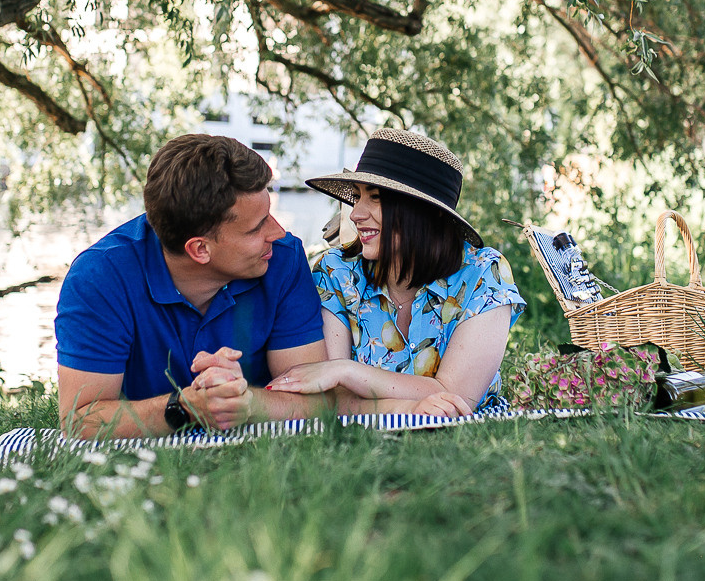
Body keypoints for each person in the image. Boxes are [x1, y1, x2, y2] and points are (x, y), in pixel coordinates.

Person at [55, 134, 425, 437]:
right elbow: (79, 419)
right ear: (199, 249)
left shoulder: (281, 258)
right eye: (257, 225)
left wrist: (242, 400)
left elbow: (318, 400)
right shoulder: (99, 279)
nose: (278, 232)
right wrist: (184, 407)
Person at [268, 129, 525, 415]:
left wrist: (345, 371)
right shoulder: (337, 273)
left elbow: (456, 400)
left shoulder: (482, 274)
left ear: (427, 212)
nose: (355, 213)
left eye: (375, 198)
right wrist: (410, 406)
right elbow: (332, 400)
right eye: (357, 197)